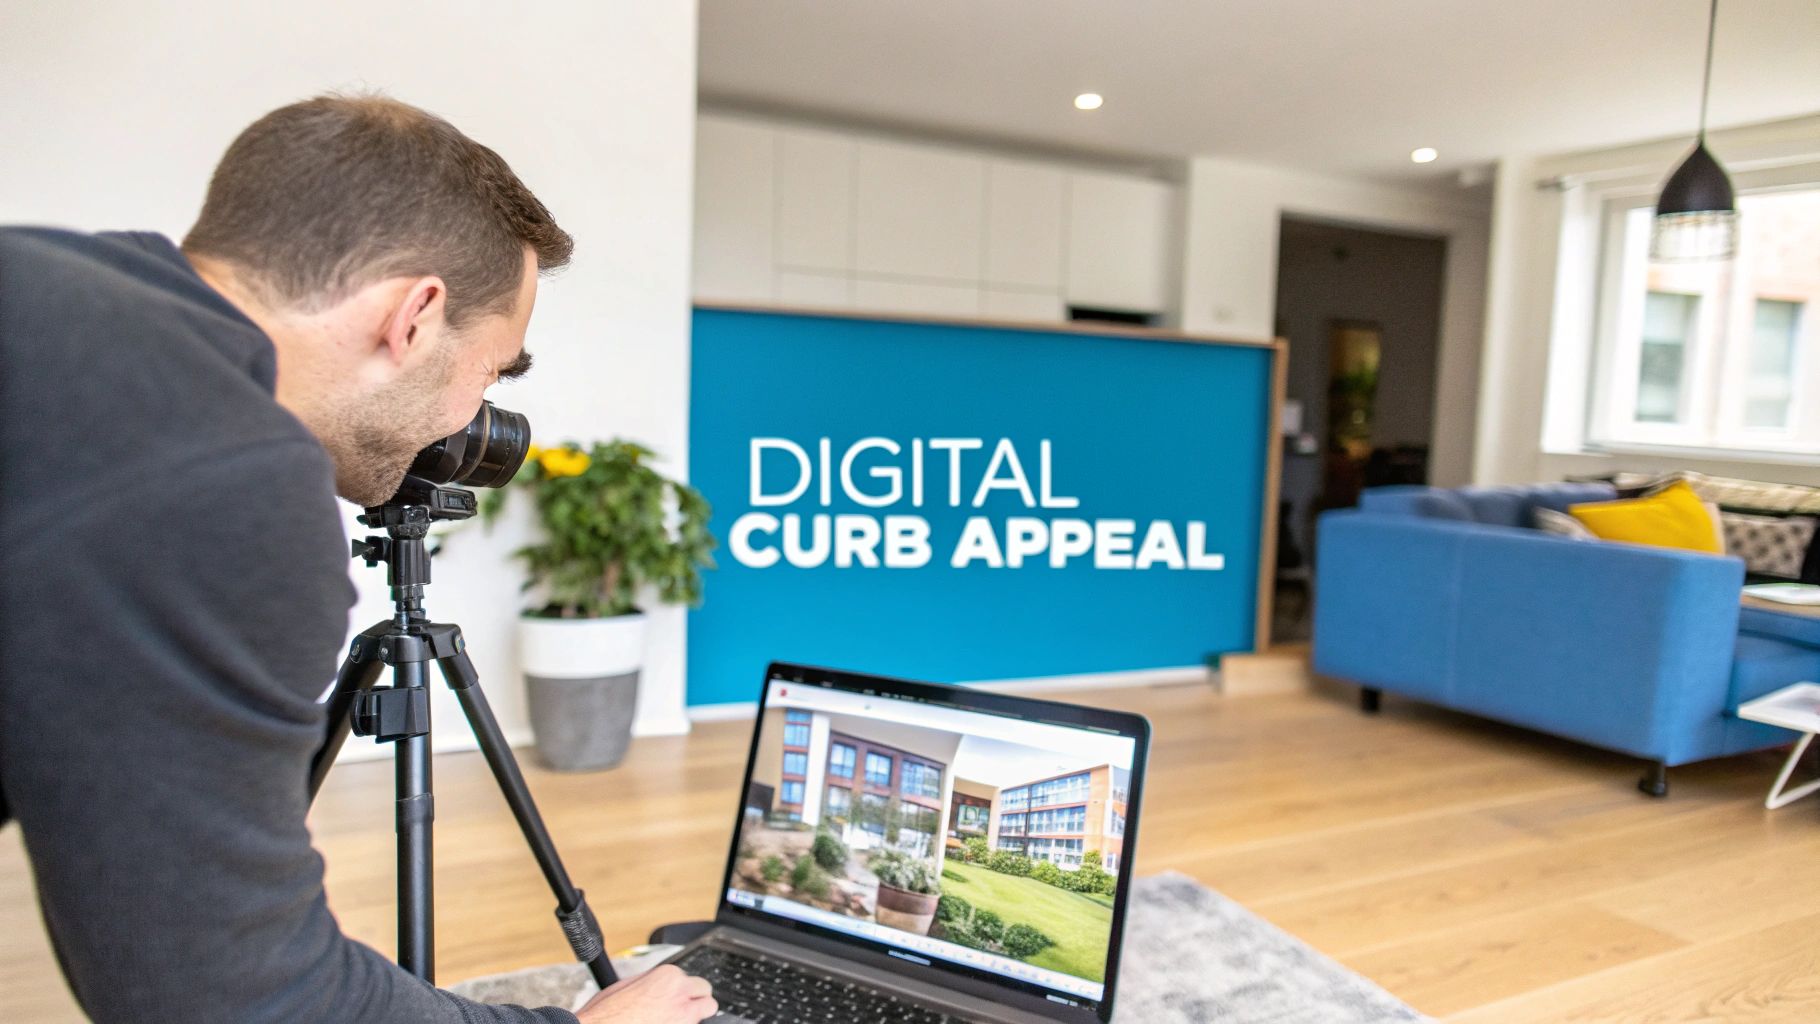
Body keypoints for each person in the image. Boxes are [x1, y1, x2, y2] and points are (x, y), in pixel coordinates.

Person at [0, 94, 717, 1024]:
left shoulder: (45, 282)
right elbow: (238, 1000)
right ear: (414, 316)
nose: (472, 421)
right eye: (490, 372)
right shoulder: (225, 473)